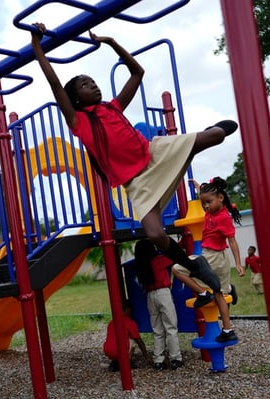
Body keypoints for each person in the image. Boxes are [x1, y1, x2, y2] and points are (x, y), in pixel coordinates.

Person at [30, 23, 236, 309]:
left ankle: (202, 139)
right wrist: (36, 44)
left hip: (155, 153)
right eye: (86, 84)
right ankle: (193, 264)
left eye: (93, 81)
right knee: (154, 233)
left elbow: (137, 73)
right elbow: (54, 83)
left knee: (215, 135)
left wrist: (112, 42)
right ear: (76, 98)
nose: (94, 85)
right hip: (136, 182)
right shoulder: (79, 122)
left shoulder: (114, 106)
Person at [174, 177, 244, 343]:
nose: (206, 206)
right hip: (211, 256)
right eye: (203, 203)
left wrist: (239, 263)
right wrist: (199, 187)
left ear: (220, 198)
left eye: (208, 202)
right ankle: (228, 330)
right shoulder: (210, 211)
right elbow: (206, 196)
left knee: (177, 269)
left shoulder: (223, 217)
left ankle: (204, 293)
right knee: (218, 293)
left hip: (214, 257)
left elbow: (232, 241)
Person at [134, 240, 182, 370]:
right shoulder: (159, 260)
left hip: (150, 296)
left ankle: (158, 360)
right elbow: (173, 254)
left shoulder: (141, 266)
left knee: (157, 329)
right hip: (163, 294)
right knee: (171, 327)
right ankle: (175, 358)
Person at [103, 301, 149, 372]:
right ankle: (128, 362)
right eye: (131, 310)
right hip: (121, 351)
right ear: (127, 309)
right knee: (132, 340)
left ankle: (115, 362)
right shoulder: (130, 322)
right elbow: (139, 341)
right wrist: (146, 356)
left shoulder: (111, 322)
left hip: (108, 351)